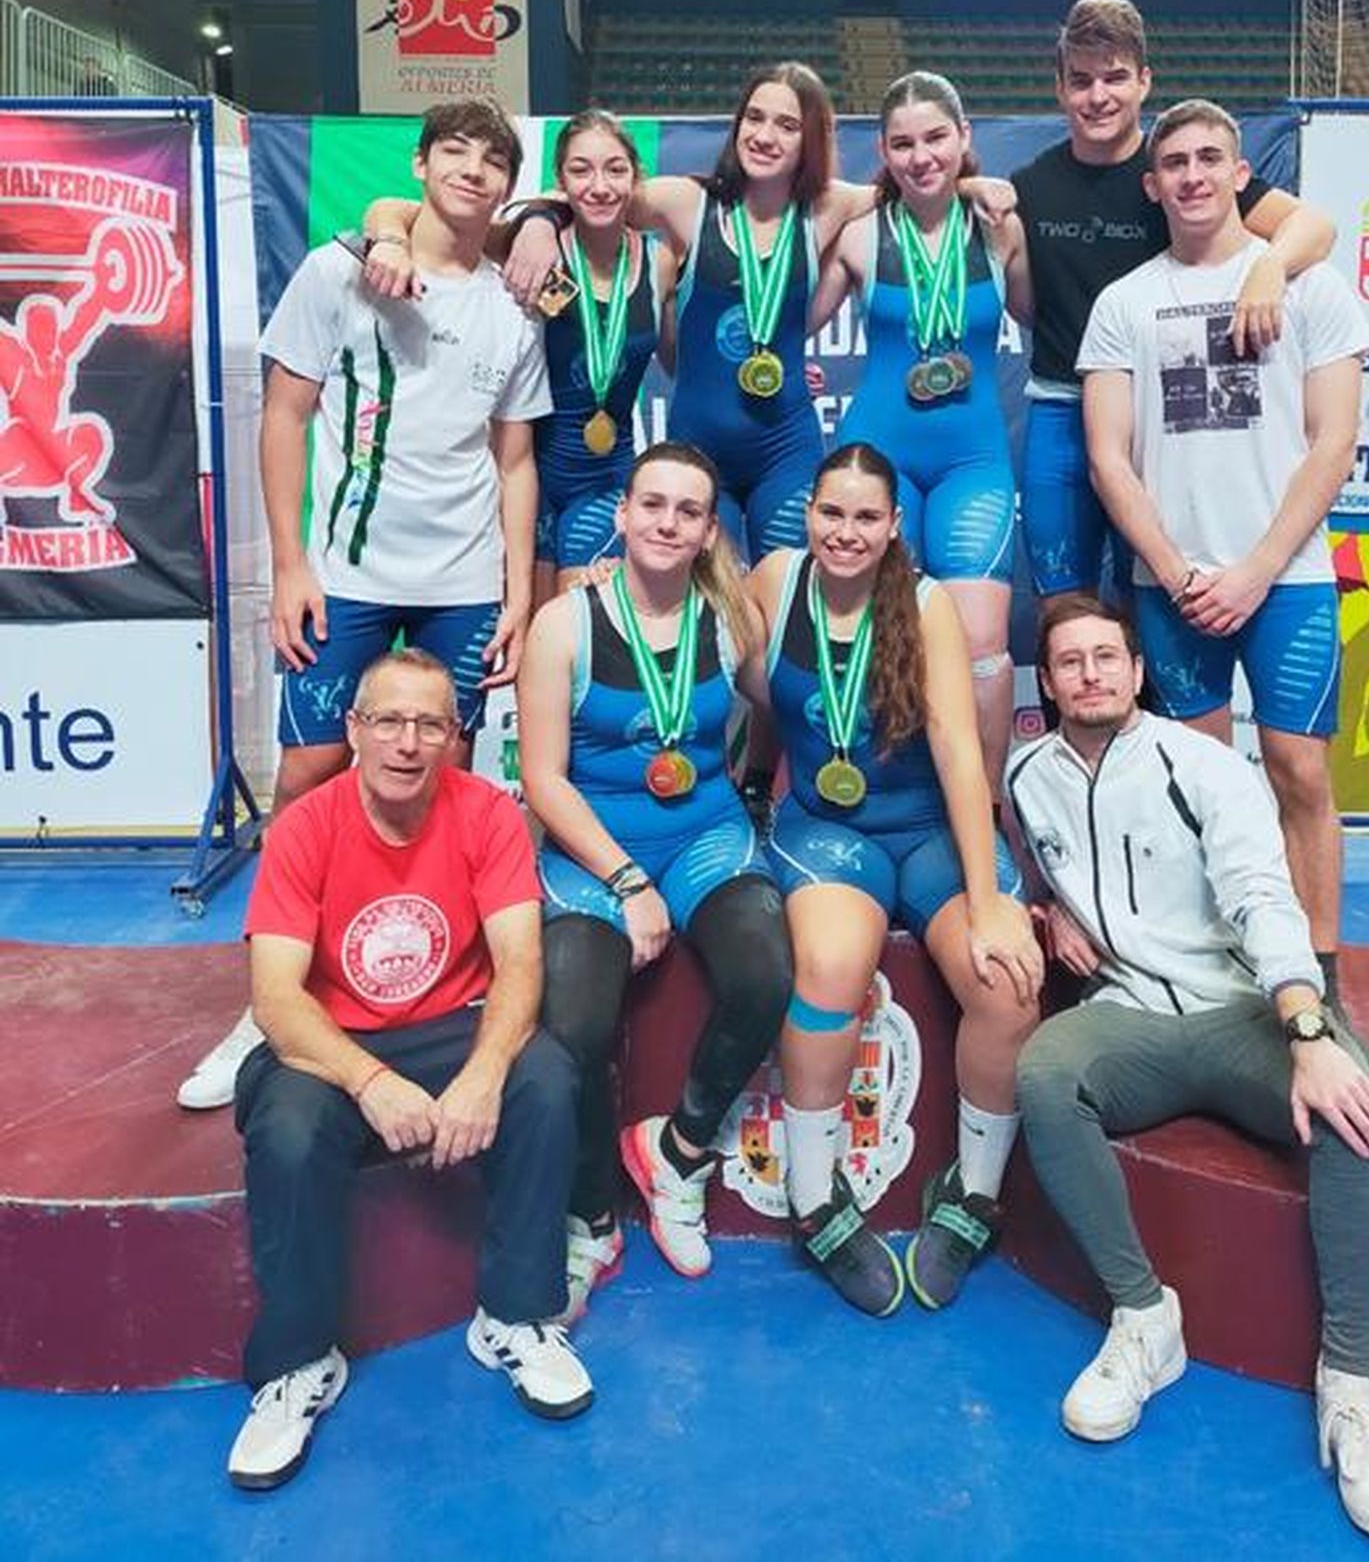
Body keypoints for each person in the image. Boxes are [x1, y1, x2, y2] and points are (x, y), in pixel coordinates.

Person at [1007, 593, 1369, 1543]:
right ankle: (1144, 1317)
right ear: (1048, 681)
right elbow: (1025, 863)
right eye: (1069, 663)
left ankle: (1351, 1385)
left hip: (1243, 1011)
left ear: (1137, 670)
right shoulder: (1028, 774)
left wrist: (1310, 1031)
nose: (1090, 676)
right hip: (1131, 1018)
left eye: (1106, 657)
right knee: (1044, 1076)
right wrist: (1043, 912)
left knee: (1351, 1106)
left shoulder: (1203, 766)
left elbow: (1262, 897)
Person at [178, 98, 551, 1111]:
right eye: (456, 153)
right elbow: (285, 411)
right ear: (422, 164)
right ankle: (272, 1003)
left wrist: (518, 590)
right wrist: (290, 560)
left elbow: (515, 460)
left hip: (466, 583)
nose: (473, 171)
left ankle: (432, 992)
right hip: (344, 573)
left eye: (494, 161)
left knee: (447, 782)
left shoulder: (514, 308)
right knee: (308, 772)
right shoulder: (342, 267)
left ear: (509, 186)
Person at [228, 648, 587, 1492]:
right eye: (388, 720)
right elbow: (277, 1002)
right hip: (332, 1037)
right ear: (354, 729)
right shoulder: (305, 827)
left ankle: (518, 1315)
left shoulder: (489, 814)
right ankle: (299, 1363)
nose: (408, 742)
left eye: (431, 724)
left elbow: (521, 965)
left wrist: (485, 1070)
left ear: (455, 737)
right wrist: (369, 1081)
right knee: (285, 1128)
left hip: (448, 1026)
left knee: (547, 1077)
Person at [1078, 97, 1369, 1020]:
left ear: (1243, 173)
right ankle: (1223, 974)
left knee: (1299, 772)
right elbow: (1107, 459)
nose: (1195, 175)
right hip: (1174, 588)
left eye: (1212, 158)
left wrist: (1253, 572)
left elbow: (1333, 446)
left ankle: (1317, 978)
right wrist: (1174, 571)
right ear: (1153, 183)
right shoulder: (1125, 302)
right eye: (1177, 163)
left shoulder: (1313, 287)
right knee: (1199, 787)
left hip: (1283, 581)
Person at [748, 444, 1043, 1316]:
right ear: (807, 514)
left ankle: (977, 1190)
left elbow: (956, 749)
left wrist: (989, 903)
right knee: (830, 970)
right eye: (831, 514)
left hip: (926, 828)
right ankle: (812, 1194)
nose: (846, 533)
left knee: (1008, 986)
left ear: (893, 525)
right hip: (827, 832)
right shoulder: (772, 580)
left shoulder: (927, 603)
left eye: (865, 517)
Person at [496, 64, 1013, 560]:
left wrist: (969, 185)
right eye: (755, 117)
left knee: (783, 597)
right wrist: (540, 221)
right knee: (713, 613)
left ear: (809, 138)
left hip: (785, 453)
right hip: (698, 450)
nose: (766, 135)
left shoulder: (829, 207)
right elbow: (596, 195)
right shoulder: (687, 202)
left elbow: (915, 183)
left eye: (787, 124)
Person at [518, 442, 793, 1317]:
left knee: (765, 975)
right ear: (624, 515)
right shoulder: (564, 623)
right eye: (653, 505)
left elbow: (774, 706)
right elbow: (544, 780)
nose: (668, 523)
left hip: (706, 836)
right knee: (576, 1022)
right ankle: (591, 1218)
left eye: (688, 511)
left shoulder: (730, 615)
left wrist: (759, 792)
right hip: (596, 853)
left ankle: (677, 1154)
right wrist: (629, 880)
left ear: (711, 530)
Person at [1013, 0, 1335, 605]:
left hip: (1163, 411)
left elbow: (1314, 226)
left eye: (1114, 78)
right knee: (1065, 604)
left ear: (1144, 81)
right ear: (1059, 89)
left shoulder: (1180, 172)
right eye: (1081, 81)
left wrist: (1271, 265)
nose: (1098, 96)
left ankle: (1157, 704)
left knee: (1156, 593)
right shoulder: (1030, 185)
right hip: (1062, 409)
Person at [811, 72, 1032, 790]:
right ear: (882, 150)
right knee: (881, 638)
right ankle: (891, 796)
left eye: (937, 137)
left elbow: (1046, 322)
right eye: (902, 143)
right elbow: (785, 328)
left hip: (973, 462)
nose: (921, 156)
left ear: (965, 139)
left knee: (980, 644)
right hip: (880, 463)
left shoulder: (999, 227)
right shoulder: (859, 233)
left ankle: (987, 806)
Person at [362, 110, 678, 600]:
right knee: (521, 635)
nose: (599, 186)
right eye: (581, 170)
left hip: (608, 477)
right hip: (522, 476)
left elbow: (686, 357)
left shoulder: (658, 262)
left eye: (615, 169)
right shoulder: (521, 244)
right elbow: (396, 209)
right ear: (560, 182)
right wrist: (389, 239)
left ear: (636, 177)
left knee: (584, 625)